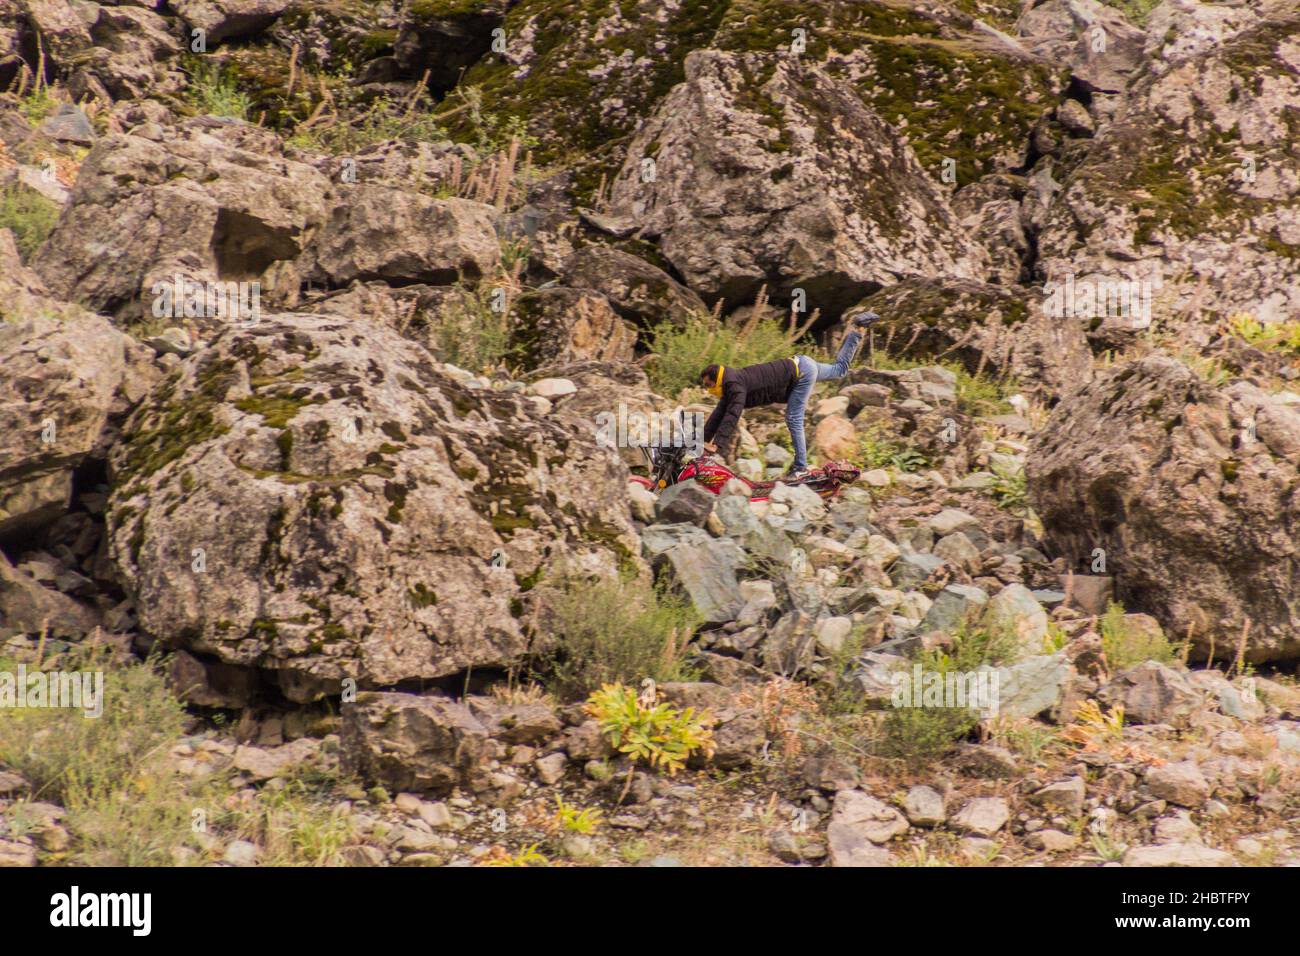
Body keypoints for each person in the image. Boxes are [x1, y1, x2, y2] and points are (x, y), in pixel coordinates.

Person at [699, 311, 881, 482]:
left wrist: (717, 445)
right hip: (802, 363)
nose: (708, 390)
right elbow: (719, 413)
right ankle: (859, 328)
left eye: (709, 385)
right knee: (839, 370)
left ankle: (801, 467)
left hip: (800, 373)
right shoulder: (731, 383)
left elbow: (733, 414)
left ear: (718, 380)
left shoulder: (734, 385)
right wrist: (703, 442)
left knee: (793, 418)